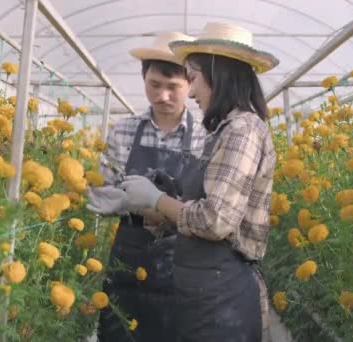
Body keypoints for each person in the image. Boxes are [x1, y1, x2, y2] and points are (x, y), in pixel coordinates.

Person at [118, 22, 279, 341]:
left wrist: (156, 200)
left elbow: (215, 220)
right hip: (204, 292)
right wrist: (159, 207)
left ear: (216, 74)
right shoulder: (222, 131)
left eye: (192, 79)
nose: (190, 92)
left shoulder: (242, 131)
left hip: (223, 297)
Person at [87, 32, 207, 342]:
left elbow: (207, 207)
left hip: (182, 261)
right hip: (129, 254)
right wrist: (117, 200)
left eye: (173, 88)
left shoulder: (204, 137)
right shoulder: (124, 131)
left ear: (190, 85)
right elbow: (102, 189)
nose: (162, 96)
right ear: (144, 79)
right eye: (154, 85)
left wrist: (159, 205)